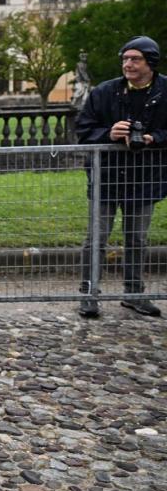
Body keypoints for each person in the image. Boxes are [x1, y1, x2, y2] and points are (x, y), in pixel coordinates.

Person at [75, 35, 167, 318]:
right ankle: (89, 294)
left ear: (150, 62)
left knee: (137, 238)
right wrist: (109, 134)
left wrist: (155, 137)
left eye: (135, 59)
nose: (128, 64)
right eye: (125, 59)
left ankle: (134, 293)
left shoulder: (165, 91)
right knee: (96, 239)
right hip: (107, 177)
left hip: (145, 178)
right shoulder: (104, 91)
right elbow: (83, 130)